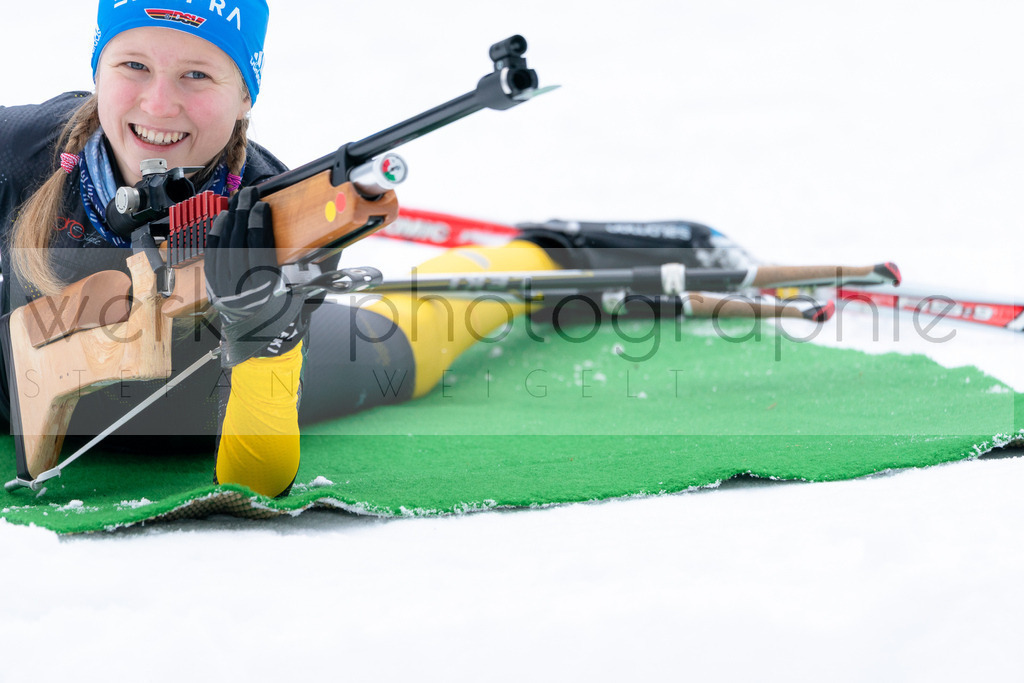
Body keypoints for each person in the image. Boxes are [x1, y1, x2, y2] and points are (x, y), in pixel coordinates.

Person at [0, 0, 750, 498]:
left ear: (245, 96)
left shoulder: (274, 219)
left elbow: (254, 484)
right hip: (23, 381)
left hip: (188, 412)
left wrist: (267, 340)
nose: (158, 105)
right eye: (133, 66)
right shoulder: (23, 149)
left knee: (407, 340)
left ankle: (544, 257)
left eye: (197, 74)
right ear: (96, 70)